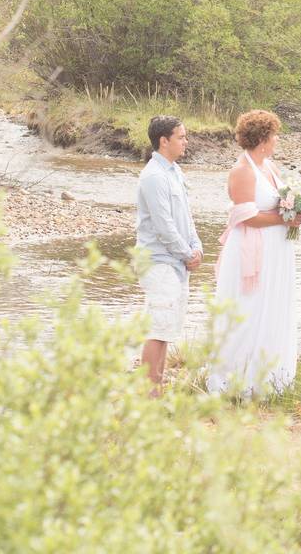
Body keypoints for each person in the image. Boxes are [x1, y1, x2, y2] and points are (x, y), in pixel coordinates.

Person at [207, 110, 301, 396]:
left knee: (273, 306)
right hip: (251, 250)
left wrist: (300, 207)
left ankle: (271, 377)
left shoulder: (269, 167)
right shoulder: (242, 171)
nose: (276, 140)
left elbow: (281, 201)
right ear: (262, 138)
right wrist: (283, 219)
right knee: (248, 310)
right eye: (274, 135)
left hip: (277, 251)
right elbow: (244, 216)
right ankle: (236, 379)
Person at [136, 115, 202, 397]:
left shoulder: (175, 172)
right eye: (181, 137)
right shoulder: (153, 176)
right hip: (158, 260)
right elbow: (163, 226)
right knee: (158, 325)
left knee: (168, 327)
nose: (186, 142)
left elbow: (185, 217)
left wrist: (196, 246)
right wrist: (187, 253)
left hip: (176, 261)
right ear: (164, 141)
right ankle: (149, 394)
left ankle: (158, 387)